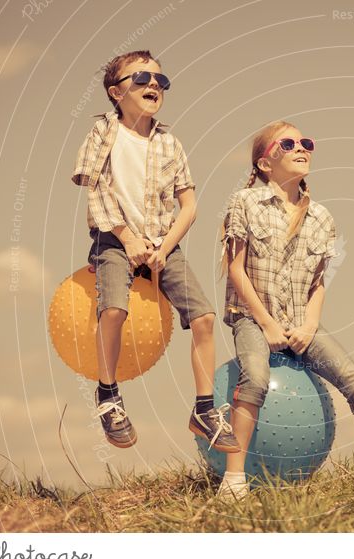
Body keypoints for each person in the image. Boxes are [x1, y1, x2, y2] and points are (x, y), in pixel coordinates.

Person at [217, 120, 354, 499]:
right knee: (255, 379)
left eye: (306, 142)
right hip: (253, 318)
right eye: (287, 143)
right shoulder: (245, 202)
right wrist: (265, 322)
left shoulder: (322, 218)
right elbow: (235, 270)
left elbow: (318, 283)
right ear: (265, 164)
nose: (301, 148)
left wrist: (310, 325)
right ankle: (234, 480)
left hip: (301, 323)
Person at [71, 50, 239, 453]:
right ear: (116, 92)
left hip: (163, 245)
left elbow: (190, 205)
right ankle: (108, 394)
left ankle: (203, 409)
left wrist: (163, 248)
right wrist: (128, 240)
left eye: (160, 81)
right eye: (141, 79)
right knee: (114, 309)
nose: (153, 86)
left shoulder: (170, 143)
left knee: (204, 317)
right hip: (114, 240)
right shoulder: (103, 135)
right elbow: (94, 188)